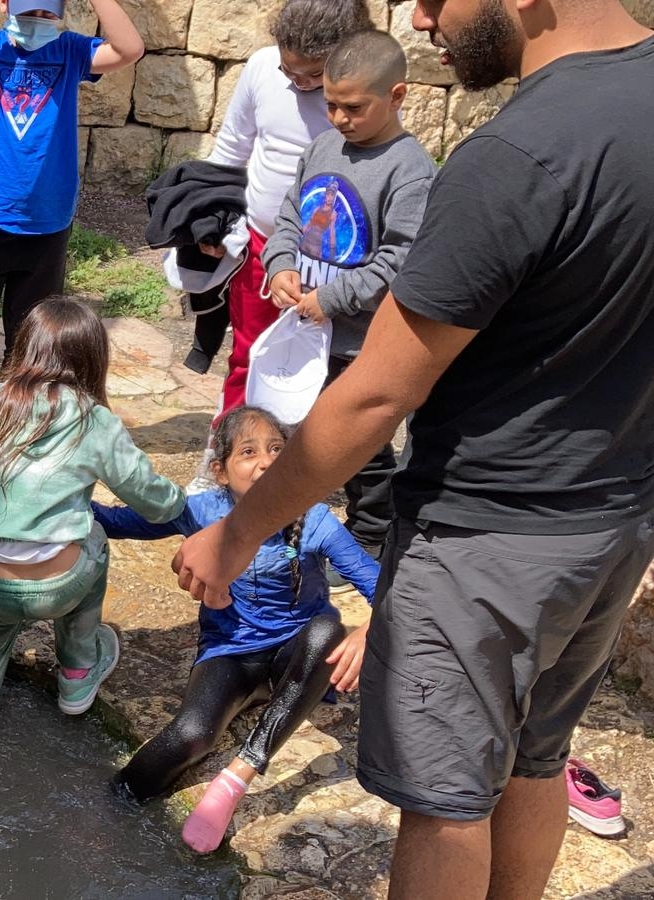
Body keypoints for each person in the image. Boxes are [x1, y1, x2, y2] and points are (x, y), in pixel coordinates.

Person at [171, 2, 654, 896]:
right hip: (612, 522)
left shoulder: (513, 156)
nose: (423, 14)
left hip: (484, 541)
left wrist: (238, 532)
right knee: (534, 762)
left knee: (447, 800)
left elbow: (379, 391)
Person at [0, 298, 184, 751]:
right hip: (60, 585)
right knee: (95, 537)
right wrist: (183, 500)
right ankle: (76, 673)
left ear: (23, 348)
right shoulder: (96, 422)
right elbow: (155, 503)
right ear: (93, 358)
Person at [95, 405, 378, 853]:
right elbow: (118, 522)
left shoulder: (315, 519)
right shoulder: (203, 510)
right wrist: (52, 494)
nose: (265, 461)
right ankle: (109, 810)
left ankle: (238, 775)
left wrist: (370, 630)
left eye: (276, 450)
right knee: (191, 736)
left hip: (296, 660)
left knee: (328, 630)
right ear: (220, 471)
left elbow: (377, 585)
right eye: (248, 452)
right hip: (231, 654)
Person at [262, 28, 436, 566]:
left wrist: (333, 299)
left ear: (398, 95)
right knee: (295, 430)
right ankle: (292, 522)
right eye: (331, 105)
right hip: (304, 329)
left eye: (353, 108)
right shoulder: (322, 146)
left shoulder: (411, 171)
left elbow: (398, 259)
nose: (339, 118)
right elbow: (291, 213)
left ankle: (369, 535)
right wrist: (280, 264)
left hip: (357, 340)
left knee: (360, 446)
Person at [0, 0, 145, 403]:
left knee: (31, 354)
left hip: (45, 229)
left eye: (46, 12)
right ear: (4, 4)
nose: (37, 22)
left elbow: (129, 49)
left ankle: (15, 432)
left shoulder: (72, 52)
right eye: (27, 12)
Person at [202, 0, 374, 420]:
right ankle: (227, 456)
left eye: (314, 75)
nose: (299, 83)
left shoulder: (359, 96)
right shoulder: (261, 68)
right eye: (289, 71)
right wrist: (211, 219)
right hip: (260, 248)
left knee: (324, 369)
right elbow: (231, 149)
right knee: (250, 352)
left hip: (333, 261)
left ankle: (300, 467)